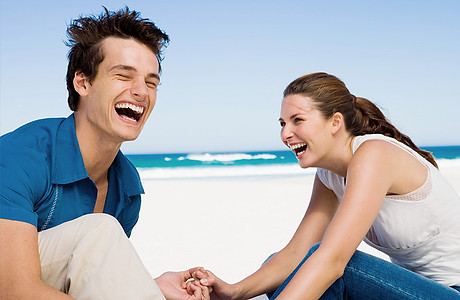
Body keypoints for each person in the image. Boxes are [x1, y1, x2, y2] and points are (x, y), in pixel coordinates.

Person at [189, 72, 460, 299]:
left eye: (298, 120)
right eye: (283, 123)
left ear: (335, 122)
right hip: (415, 291)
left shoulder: (374, 154)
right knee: (290, 269)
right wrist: (234, 291)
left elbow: (332, 260)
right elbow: (295, 253)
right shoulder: (328, 175)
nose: (285, 134)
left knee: (338, 267)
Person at [0, 7, 208, 300]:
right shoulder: (19, 155)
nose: (141, 92)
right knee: (99, 232)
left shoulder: (127, 186)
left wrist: (152, 287)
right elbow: (14, 289)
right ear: (83, 82)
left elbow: (90, 276)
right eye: (124, 76)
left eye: (151, 82)